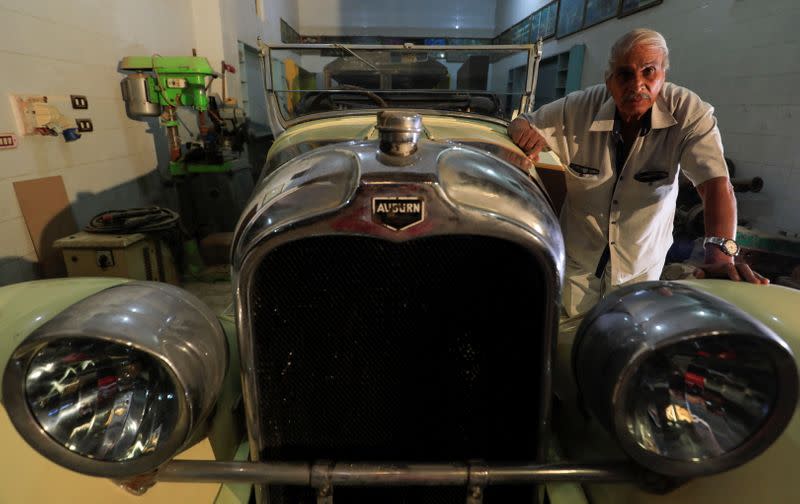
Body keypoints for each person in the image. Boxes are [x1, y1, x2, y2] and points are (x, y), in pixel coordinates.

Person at [508, 28, 767, 319]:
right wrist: (525, 134)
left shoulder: (688, 113)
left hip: (640, 269)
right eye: (625, 74)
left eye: (648, 72)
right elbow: (523, 124)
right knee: (569, 342)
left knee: (624, 344)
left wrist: (720, 253)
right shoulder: (579, 108)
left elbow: (716, 185)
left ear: (663, 76)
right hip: (578, 265)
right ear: (609, 81)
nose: (637, 84)